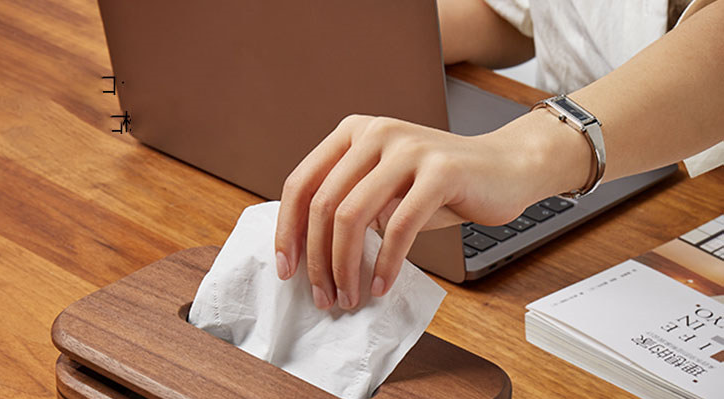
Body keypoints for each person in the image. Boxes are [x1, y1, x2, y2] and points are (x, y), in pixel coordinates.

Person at [273, 0, 724, 311]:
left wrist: (519, 155)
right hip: (579, 185)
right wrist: (353, 33)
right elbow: (523, 15)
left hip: (698, 210)